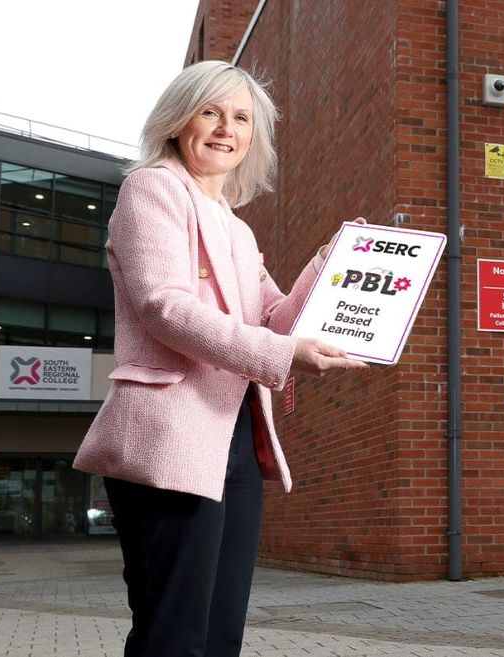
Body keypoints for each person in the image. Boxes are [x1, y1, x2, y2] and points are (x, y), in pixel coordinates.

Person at [73, 61, 367, 657]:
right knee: (175, 635)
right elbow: (164, 307)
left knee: (219, 634)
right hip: (168, 438)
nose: (225, 128)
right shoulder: (152, 188)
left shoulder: (238, 228)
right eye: (211, 111)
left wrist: (328, 265)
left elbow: (276, 320)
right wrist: (284, 352)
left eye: (241, 117)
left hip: (234, 436)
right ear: (180, 119)